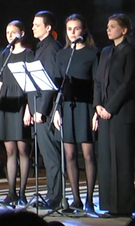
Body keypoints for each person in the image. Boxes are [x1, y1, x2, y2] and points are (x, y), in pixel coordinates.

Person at [52, 14, 99, 214]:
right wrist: (56, 110)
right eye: (69, 28)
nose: (73, 32)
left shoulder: (92, 54)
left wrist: (96, 110)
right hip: (66, 107)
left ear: (84, 30)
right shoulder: (62, 54)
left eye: (77, 28)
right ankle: (76, 199)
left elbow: (97, 83)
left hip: (85, 107)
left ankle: (89, 199)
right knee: (69, 154)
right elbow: (57, 84)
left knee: (87, 154)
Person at [93, 13, 135, 217]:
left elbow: (127, 84)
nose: (108, 29)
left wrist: (110, 108)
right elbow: (98, 81)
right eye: (107, 26)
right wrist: (98, 106)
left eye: (113, 26)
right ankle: (110, 206)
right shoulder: (106, 52)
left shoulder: (130, 51)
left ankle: (125, 207)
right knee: (106, 160)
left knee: (122, 161)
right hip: (104, 112)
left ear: (124, 29)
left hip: (121, 113)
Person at [0, 20, 33, 206]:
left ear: (22, 34)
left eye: (13, 32)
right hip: (6, 102)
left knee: (23, 149)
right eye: (7, 32)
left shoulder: (29, 55)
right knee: (9, 150)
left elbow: (31, 85)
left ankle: (23, 192)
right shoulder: (4, 54)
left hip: (21, 101)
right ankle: (11, 192)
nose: (9, 35)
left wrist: (29, 109)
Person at [29, 10, 64, 209]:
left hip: (47, 109)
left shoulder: (51, 48)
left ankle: (55, 197)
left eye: (37, 25)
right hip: (39, 106)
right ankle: (52, 194)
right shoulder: (42, 47)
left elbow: (50, 82)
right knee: (47, 155)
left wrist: (41, 110)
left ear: (48, 27)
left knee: (51, 155)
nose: (33, 27)